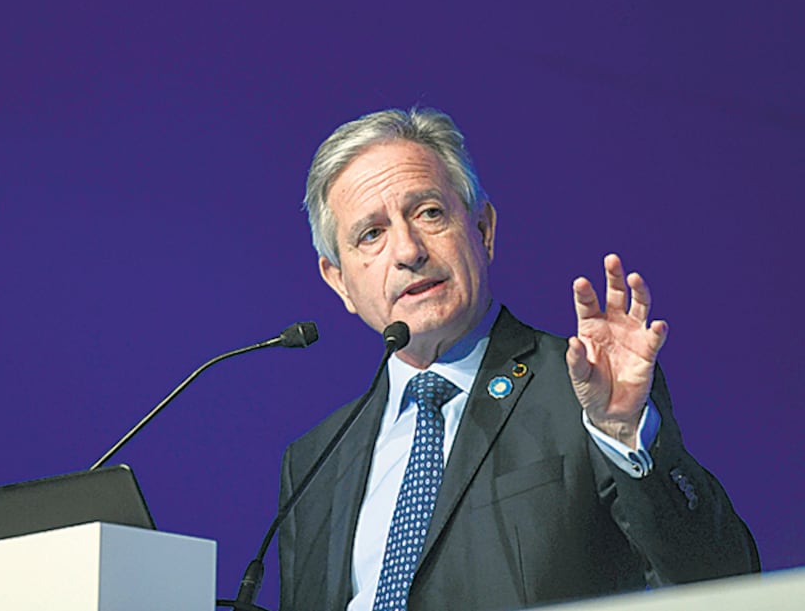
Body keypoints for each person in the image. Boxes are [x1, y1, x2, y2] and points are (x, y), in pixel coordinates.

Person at [277, 108, 759, 611]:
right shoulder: (313, 462)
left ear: (482, 229)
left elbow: (723, 584)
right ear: (338, 281)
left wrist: (622, 436)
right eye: (370, 234)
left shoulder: (586, 391)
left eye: (428, 213)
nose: (407, 250)